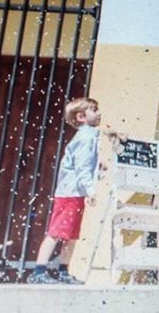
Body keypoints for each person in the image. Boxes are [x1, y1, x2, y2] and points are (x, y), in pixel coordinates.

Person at [27, 97, 101, 284]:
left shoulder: (89, 135)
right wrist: (91, 190)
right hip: (70, 193)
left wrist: (98, 170)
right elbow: (82, 167)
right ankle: (38, 271)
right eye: (94, 110)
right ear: (81, 116)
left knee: (71, 234)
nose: (99, 113)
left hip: (75, 193)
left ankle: (63, 271)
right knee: (56, 232)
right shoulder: (85, 137)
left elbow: (84, 165)